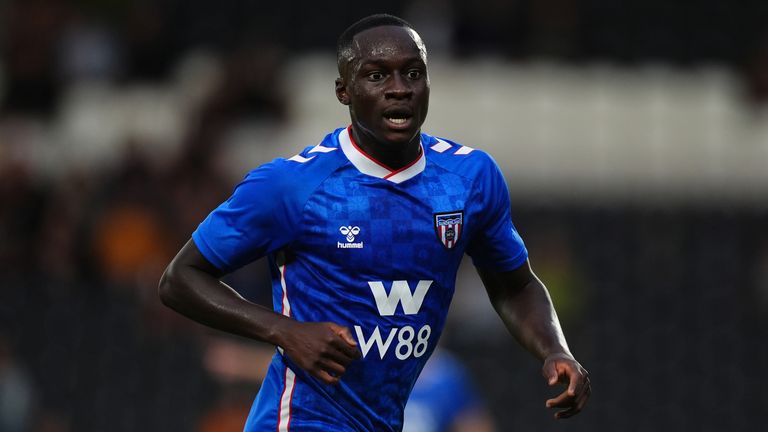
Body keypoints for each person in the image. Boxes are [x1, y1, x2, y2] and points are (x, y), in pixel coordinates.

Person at [158, 13, 590, 432]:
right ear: (344, 90)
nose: (398, 89)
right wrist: (286, 331)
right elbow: (180, 279)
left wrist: (554, 349)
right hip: (302, 421)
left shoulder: (469, 180)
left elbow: (515, 285)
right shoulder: (292, 186)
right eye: (377, 76)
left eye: (412, 73)